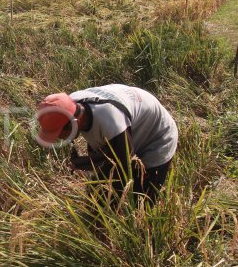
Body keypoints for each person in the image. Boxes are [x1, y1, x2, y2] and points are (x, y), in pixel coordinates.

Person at [36, 84, 178, 204]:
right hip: (132, 127)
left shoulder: (110, 120)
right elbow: (107, 157)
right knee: (101, 190)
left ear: (73, 122)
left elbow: (123, 169)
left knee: (141, 201)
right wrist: (86, 163)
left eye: (59, 133)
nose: (59, 139)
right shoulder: (70, 104)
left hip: (157, 138)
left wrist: (100, 207)